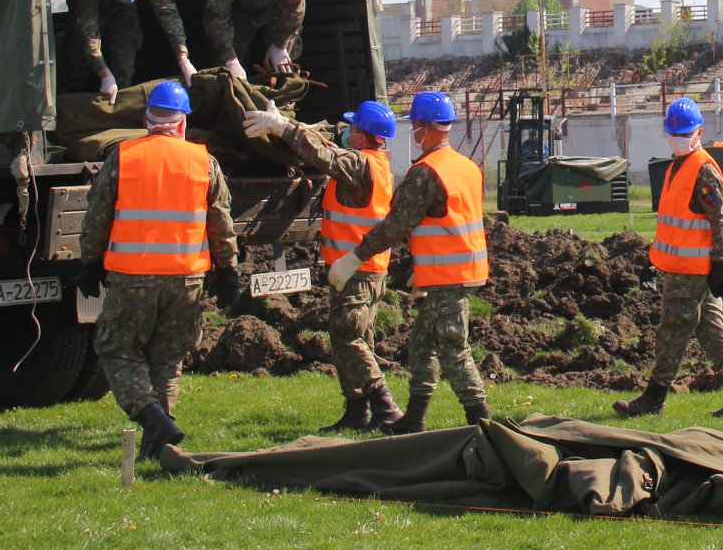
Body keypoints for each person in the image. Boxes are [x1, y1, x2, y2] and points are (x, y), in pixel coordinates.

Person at [73, 81, 238, 459]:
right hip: (187, 279)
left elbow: (98, 216)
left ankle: (153, 420)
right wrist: (227, 270)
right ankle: (161, 440)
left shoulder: (124, 156)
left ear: (147, 120)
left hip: (132, 276)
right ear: (182, 123)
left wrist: (89, 263)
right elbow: (221, 222)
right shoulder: (204, 161)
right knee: (167, 359)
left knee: (116, 350)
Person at [243, 98, 404, 431]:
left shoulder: (359, 165)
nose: (347, 131)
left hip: (358, 270)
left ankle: (386, 407)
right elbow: (330, 144)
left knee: (349, 338)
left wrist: (282, 127)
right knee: (356, 339)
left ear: (364, 135)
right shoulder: (371, 161)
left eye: (353, 127)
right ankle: (357, 412)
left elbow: (325, 154)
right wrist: (287, 125)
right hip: (361, 269)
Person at [346, 90, 489, 434]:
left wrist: (355, 256)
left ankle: (482, 423)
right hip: (458, 270)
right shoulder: (467, 166)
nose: (415, 134)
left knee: (454, 349)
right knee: (421, 344)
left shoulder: (426, 172)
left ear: (424, 129)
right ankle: (414, 419)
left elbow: (397, 224)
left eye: (416, 127)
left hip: (448, 276)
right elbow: (448, 221)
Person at [616, 98, 723, 418]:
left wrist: (721, 262)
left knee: (673, 329)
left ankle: (653, 399)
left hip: (692, 270)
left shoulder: (703, 169)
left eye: (684, 133)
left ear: (699, 132)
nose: (677, 138)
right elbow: (678, 223)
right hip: (684, 266)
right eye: (673, 133)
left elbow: (722, 219)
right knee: (711, 329)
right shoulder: (678, 165)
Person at [68, 0, 197, 97]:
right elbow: (86, 29)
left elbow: (167, 10)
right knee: (75, 62)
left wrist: (183, 58)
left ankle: (120, 100)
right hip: (89, 6)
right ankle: (70, 102)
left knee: (126, 52)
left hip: (122, 9)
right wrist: (104, 74)